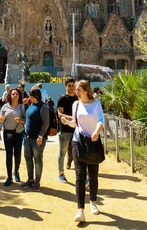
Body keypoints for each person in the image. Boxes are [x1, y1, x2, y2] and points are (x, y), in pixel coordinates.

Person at [61, 79, 105, 224]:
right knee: (80, 176)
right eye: (76, 90)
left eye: (79, 90)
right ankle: (80, 210)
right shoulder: (76, 104)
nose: (76, 92)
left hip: (93, 142)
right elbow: (75, 123)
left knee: (93, 176)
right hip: (78, 142)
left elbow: (100, 121)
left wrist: (97, 132)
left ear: (86, 90)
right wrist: (66, 122)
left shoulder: (96, 103)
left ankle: (93, 201)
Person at [22, 88, 49, 192]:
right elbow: (28, 117)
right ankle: (30, 179)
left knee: (37, 159)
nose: (29, 97)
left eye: (30, 96)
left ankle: (37, 182)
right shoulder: (31, 105)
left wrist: (41, 136)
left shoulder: (43, 107)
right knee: (28, 158)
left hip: (37, 139)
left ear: (35, 96)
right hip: (28, 137)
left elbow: (46, 123)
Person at [0, 88, 25, 186]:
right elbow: (1, 120)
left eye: (16, 94)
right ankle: (9, 177)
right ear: (10, 95)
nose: (15, 96)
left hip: (18, 133)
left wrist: (21, 120)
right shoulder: (5, 107)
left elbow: (26, 121)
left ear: (19, 96)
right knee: (8, 155)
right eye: (13, 94)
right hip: (7, 133)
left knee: (17, 155)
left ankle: (16, 172)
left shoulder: (22, 108)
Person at [57, 77, 78, 183]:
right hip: (64, 130)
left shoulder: (78, 99)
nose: (71, 88)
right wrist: (72, 118)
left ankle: (83, 176)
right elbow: (60, 114)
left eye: (72, 85)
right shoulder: (62, 99)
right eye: (69, 86)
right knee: (62, 153)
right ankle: (61, 173)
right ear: (66, 86)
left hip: (77, 130)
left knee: (79, 154)